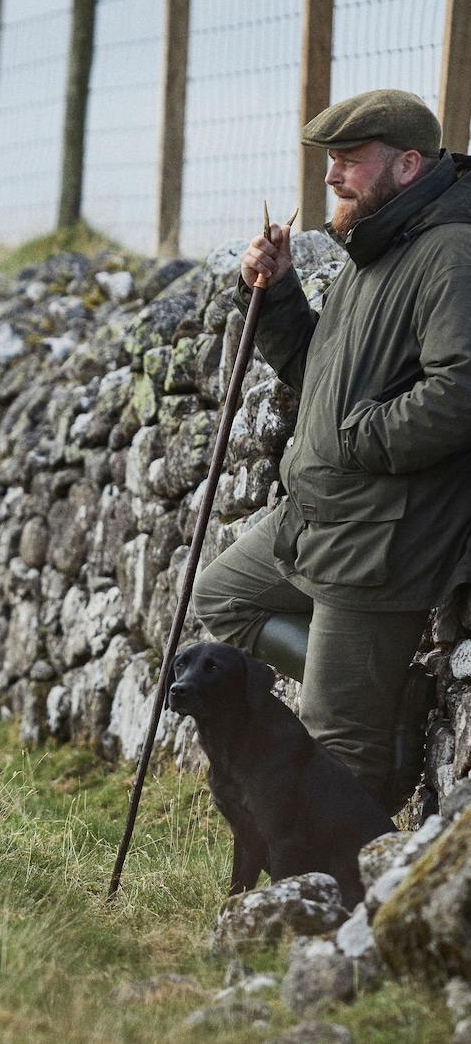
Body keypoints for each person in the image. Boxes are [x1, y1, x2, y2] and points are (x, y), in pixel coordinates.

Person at [193, 88, 471, 815]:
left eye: (349, 159)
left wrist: (355, 437)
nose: (330, 176)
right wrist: (279, 294)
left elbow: (461, 392)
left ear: (408, 164)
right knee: (222, 595)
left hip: (379, 538)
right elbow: (324, 373)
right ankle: (382, 689)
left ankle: (326, 904)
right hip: (318, 516)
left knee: (337, 737)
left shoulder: (449, 253)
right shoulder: (375, 247)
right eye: (329, 160)